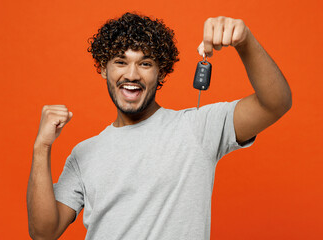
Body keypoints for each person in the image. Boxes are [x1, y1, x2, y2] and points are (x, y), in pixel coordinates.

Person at [27, 12, 292, 240]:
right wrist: (42, 147)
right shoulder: (83, 154)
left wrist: (245, 41)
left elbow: (275, 104)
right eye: (120, 62)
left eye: (145, 63)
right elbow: (43, 233)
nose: (131, 75)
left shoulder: (197, 128)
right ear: (103, 69)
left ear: (162, 72)